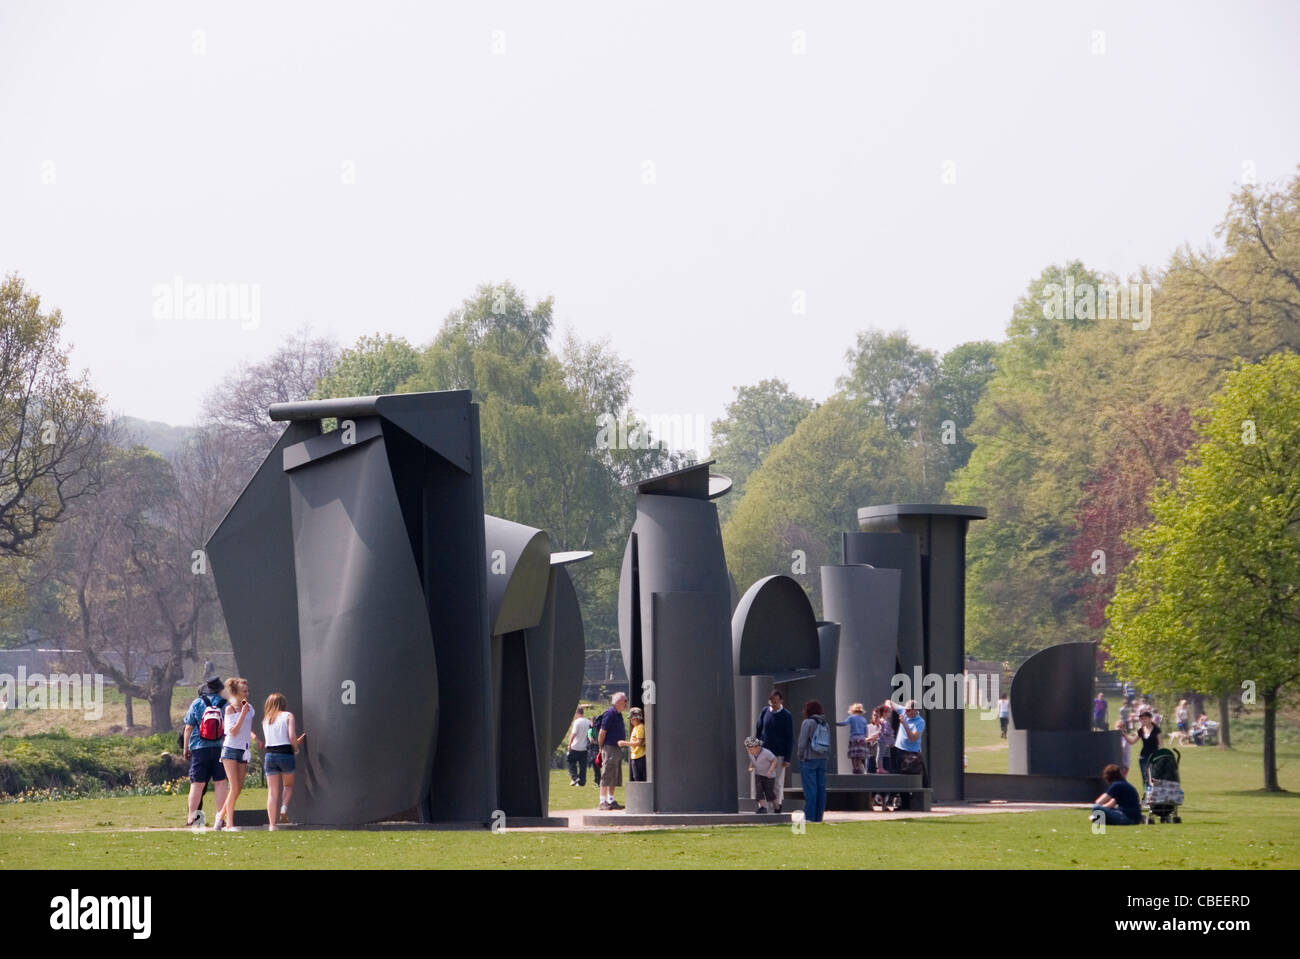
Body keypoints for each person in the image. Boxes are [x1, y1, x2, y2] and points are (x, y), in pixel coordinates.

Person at [182, 674, 229, 826]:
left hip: (199, 748)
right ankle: (219, 818)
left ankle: (193, 818)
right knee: (220, 783)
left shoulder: (197, 703)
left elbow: (188, 727)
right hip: (220, 748)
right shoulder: (226, 704)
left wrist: (186, 748)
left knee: (197, 784)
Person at [215, 677, 260, 831]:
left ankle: (220, 815)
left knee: (238, 789)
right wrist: (242, 714)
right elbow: (232, 731)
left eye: (248, 691)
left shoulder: (249, 708)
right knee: (233, 787)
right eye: (244, 691)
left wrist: (255, 738)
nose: (247, 694)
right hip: (230, 750)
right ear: (236, 692)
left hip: (243, 750)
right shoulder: (230, 709)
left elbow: (248, 728)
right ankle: (229, 823)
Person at [261, 692, 306, 831]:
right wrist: (296, 748)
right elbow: (291, 736)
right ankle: (284, 808)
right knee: (288, 786)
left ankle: (272, 824)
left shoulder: (265, 719)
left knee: (272, 792)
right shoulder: (288, 716)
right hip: (286, 754)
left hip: (270, 755)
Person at [755, 689, 794, 813]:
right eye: (771, 701)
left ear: (781, 701)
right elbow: (758, 731)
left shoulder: (786, 715)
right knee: (761, 780)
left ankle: (777, 806)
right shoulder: (764, 711)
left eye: (775, 701)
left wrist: (787, 758)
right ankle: (763, 806)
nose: (773, 704)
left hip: (779, 754)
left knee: (776, 782)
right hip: (763, 753)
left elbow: (789, 737)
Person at [797, 700, 830, 823]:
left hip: (809, 759)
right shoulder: (825, 723)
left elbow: (802, 742)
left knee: (810, 790)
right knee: (821, 790)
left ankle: (809, 817)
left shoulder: (808, 723)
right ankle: (818, 817)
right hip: (822, 758)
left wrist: (800, 755)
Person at [596, 692, 627, 810]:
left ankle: (611, 800)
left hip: (616, 748)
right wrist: (601, 747)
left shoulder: (618, 714)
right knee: (607, 773)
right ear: (618, 702)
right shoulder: (610, 714)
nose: (626, 703)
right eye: (625, 701)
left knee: (614, 774)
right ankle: (602, 801)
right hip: (609, 747)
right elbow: (602, 732)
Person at [1122, 709, 1160, 784]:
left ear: (1150, 718)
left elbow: (1161, 744)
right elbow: (1132, 741)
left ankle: (1154, 794)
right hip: (1143, 757)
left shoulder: (1156, 730)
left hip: (1154, 756)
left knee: (1154, 778)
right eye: (1142, 718)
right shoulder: (1141, 730)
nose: (1143, 720)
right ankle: (1147, 794)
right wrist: (1124, 735)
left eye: (1145, 718)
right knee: (1145, 778)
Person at [744, 736, 780, 813]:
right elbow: (752, 760)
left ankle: (777, 807)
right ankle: (763, 807)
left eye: (751, 749)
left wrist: (770, 771)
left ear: (757, 747)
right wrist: (751, 767)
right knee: (759, 791)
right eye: (748, 749)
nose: (750, 751)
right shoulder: (750, 753)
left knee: (769, 792)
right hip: (758, 774)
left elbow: (775, 760)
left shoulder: (766, 753)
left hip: (769, 775)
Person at [894, 699, 926, 777]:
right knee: (897, 773)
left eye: (908, 710)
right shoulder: (903, 711)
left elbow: (913, 738)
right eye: (905, 710)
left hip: (911, 754)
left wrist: (905, 724)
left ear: (914, 710)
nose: (905, 712)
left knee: (909, 775)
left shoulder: (920, 722)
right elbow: (892, 704)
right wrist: (888, 704)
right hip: (899, 750)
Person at [836, 702, 870, 774]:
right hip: (861, 739)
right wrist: (865, 737)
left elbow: (844, 723)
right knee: (860, 755)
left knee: (853, 755)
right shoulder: (863, 719)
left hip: (853, 738)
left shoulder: (851, 717)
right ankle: (859, 767)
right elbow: (866, 731)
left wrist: (836, 723)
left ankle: (855, 768)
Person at [619, 706, 646, 782]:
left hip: (640, 756)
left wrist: (624, 743)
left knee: (638, 777)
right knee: (635, 777)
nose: (631, 721)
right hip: (635, 756)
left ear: (637, 718)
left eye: (632, 719)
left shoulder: (640, 727)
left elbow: (639, 743)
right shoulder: (636, 727)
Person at [566, 707, 591, 787]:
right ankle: (582, 781)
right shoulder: (588, 722)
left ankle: (574, 777)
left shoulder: (577, 722)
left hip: (575, 746)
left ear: (577, 713)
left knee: (570, 761)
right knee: (582, 765)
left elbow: (574, 734)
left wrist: (569, 744)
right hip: (584, 747)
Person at [875, 700, 895, 774]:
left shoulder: (884, 720)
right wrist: (890, 732)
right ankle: (879, 768)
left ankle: (881, 767)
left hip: (884, 740)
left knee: (881, 754)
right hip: (882, 740)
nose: (890, 714)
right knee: (880, 754)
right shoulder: (883, 721)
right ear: (884, 713)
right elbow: (885, 731)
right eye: (889, 712)